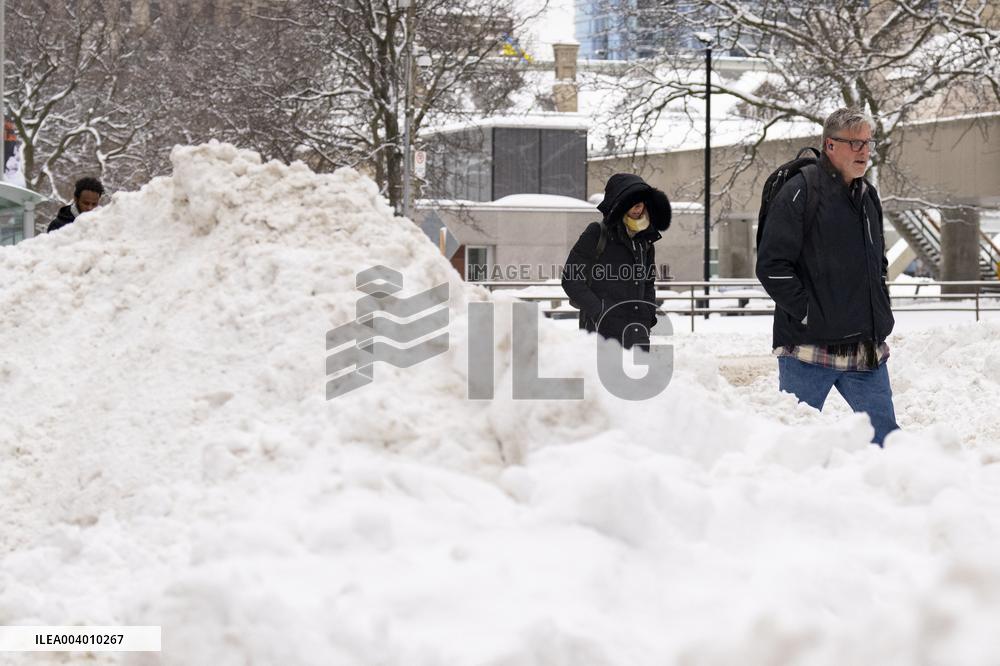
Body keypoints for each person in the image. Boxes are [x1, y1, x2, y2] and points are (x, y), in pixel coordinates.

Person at [756, 107, 898, 446]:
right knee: (794, 446)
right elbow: (771, 266)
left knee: (889, 445)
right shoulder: (799, 192)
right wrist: (809, 312)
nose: (864, 151)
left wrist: (878, 305)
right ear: (830, 145)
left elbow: (876, 262)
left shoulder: (868, 196)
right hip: (809, 351)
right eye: (854, 143)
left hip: (865, 350)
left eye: (867, 143)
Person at [562, 173, 671, 350]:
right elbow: (571, 279)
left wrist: (648, 313)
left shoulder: (645, 240)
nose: (638, 207)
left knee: (639, 377)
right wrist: (600, 311)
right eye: (632, 202)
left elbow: (648, 283)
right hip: (601, 334)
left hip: (637, 333)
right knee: (601, 378)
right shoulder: (597, 233)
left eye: (641, 201)